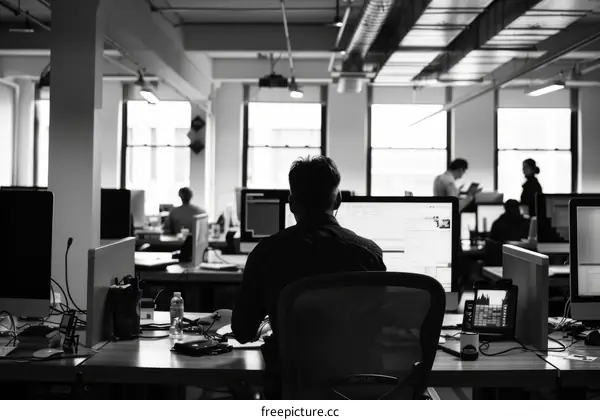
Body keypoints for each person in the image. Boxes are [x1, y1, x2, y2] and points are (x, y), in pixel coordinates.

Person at [231, 156, 386, 397]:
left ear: (291, 204)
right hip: (355, 387)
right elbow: (379, 328)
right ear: (339, 200)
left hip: (291, 389)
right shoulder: (369, 254)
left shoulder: (267, 253)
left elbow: (241, 331)